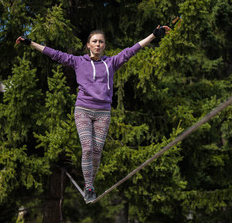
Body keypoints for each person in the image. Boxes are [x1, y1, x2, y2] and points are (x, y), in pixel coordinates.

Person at [15, 25, 171, 203]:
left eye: (101, 42)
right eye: (94, 41)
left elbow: (131, 51)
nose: (98, 44)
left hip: (103, 113)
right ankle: (89, 187)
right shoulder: (78, 62)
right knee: (88, 148)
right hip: (83, 110)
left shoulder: (111, 63)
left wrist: (152, 35)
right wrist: (30, 43)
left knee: (96, 152)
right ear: (88, 45)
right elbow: (54, 53)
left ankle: (90, 184)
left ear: (104, 45)